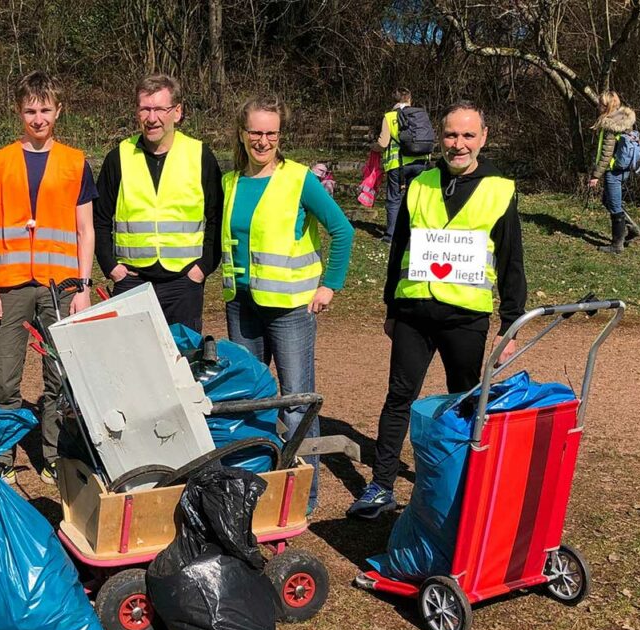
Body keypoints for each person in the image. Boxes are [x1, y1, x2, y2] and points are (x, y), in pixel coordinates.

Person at [348, 100, 527, 519]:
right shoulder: (419, 183)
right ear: (439, 138)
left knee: (465, 403)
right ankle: (380, 486)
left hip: (465, 319)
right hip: (413, 313)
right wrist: (390, 306)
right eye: (450, 135)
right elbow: (400, 250)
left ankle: (464, 484)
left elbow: (511, 261)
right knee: (399, 398)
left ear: (483, 138)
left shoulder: (500, 189)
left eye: (467, 135)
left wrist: (511, 324)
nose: (458, 144)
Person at [221, 96, 355, 514]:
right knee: (249, 397)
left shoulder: (299, 179)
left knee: (296, 402)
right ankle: (253, 486)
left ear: (281, 135)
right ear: (242, 133)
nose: (263, 141)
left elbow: (342, 230)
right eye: (255, 132)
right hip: (242, 305)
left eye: (271, 133)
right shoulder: (230, 182)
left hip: (292, 309)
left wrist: (329, 286)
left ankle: (302, 496)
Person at [0, 71, 97, 485]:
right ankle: (2, 456)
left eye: (46, 109)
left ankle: (53, 456)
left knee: (57, 378)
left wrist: (83, 286)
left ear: (58, 111)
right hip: (9, 286)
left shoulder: (76, 162)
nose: (38, 117)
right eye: (30, 110)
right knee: (5, 378)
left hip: (59, 288)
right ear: (18, 111)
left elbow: (85, 230)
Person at [94, 73, 223, 333]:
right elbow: (99, 218)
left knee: (183, 362)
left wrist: (202, 268)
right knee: (134, 364)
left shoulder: (200, 155)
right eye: (145, 109)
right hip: (131, 281)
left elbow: (217, 218)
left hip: (184, 282)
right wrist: (111, 267)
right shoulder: (118, 157)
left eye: (160, 109)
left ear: (177, 112)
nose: (152, 118)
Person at [372, 88, 432, 244]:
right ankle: (415, 234)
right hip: (421, 162)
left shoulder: (390, 116)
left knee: (394, 199)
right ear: (410, 99)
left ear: (394, 99)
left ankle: (391, 235)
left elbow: (383, 143)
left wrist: (373, 147)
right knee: (416, 198)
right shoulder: (420, 115)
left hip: (398, 165)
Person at [588, 91, 640, 254]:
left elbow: (606, 153)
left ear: (607, 105)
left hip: (614, 170)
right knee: (608, 200)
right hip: (625, 168)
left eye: (601, 104)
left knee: (614, 206)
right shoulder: (624, 119)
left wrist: (595, 176)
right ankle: (632, 228)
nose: (598, 107)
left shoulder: (610, 124)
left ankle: (617, 245)